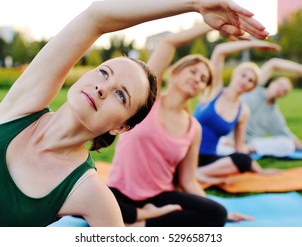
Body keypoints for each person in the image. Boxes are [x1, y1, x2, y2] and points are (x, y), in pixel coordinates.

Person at [0, 0, 269, 227]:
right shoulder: (23, 106)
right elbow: (96, 17)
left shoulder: (90, 192)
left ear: (122, 127)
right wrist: (195, 2)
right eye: (104, 72)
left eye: (121, 96)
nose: (103, 87)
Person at [107, 23, 253, 227]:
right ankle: (137, 216)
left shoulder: (194, 128)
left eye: (203, 79)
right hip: (120, 192)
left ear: (202, 89)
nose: (197, 79)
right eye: (193, 71)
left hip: (160, 196)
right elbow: (169, 42)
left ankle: (137, 222)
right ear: (175, 73)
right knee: (87, 200)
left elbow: (188, 181)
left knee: (216, 213)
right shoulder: (147, 101)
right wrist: (213, 25)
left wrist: (214, 207)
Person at [194, 40, 281, 186]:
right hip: (185, 151)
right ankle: (194, 174)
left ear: (252, 87)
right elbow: (219, 51)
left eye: (250, 80)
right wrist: (252, 44)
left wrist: (259, 171)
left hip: (208, 159)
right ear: (236, 74)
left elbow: (239, 148)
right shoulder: (214, 90)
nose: (245, 81)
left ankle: (197, 174)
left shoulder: (243, 111)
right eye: (243, 75)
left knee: (243, 159)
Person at [217, 57, 302, 157]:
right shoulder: (253, 87)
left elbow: (288, 136)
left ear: (283, 96)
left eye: (284, 91)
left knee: (287, 144)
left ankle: (246, 148)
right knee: (220, 148)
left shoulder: (274, 114)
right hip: (227, 138)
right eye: (280, 84)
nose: (281, 89)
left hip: (249, 143)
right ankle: (237, 148)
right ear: (272, 83)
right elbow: (274, 63)